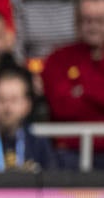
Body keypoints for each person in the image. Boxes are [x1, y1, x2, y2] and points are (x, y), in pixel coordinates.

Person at [42, 0, 104, 158]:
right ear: (77, 22)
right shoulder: (58, 58)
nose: (93, 27)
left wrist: (82, 90)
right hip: (68, 152)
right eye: (87, 20)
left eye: (100, 20)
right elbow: (61, 108)